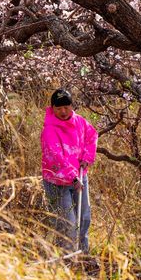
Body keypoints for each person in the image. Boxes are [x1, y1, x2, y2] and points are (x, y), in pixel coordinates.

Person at [41, 88, 98, 254]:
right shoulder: (49, 129)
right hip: (57, 181)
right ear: (53, 109)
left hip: (80, 176)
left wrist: (87, 157)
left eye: (66, 107)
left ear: (72, 106)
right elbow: (55, 156)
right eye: (58, 108)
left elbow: (92, 136)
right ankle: (68, 257)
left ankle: (83, 254)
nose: (63, 111)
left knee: (84, 217)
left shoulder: (80, 121)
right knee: (68, 223)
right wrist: (73, 177)